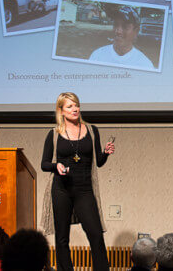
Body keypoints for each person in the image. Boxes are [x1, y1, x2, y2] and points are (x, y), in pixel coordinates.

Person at [41, 92, 115, 271]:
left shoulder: (91, 130)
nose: (75, 109)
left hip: (84, 189)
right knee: (62, 238)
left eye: (76, 105)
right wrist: (56, 166)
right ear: (61, 111)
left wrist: (105, 152)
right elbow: (44, 164)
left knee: (96, 234)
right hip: (61, 189)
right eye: (69, 106)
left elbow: (99, 161)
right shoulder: (54, 134)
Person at [89, 6, 154, 69]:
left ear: (136, 31)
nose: (118, 31)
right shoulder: (97, 56)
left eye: (125, 27)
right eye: (116, 25)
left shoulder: (144, 65)